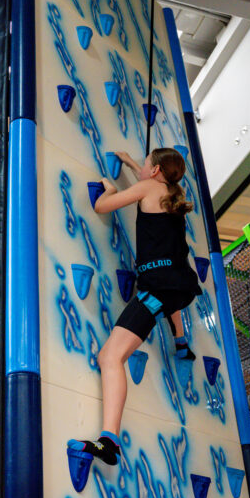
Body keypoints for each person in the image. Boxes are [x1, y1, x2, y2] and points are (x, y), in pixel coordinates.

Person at [69, 148, 201, 465]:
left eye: (144, 165)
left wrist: (112, 188)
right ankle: (181, 342)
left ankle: (109, 441)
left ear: (155, 171)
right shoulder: (171, 195)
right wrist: (130, 162)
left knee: (110, 356)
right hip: (176, 287)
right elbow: (149, 182)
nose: (140, 168)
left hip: (157, 290)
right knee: (163, 297)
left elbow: (102, 205)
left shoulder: (146, 188)